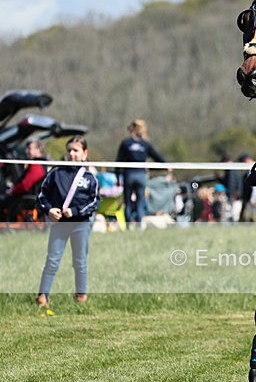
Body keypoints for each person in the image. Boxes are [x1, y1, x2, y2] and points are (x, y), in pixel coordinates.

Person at [36, 137, 100, 307]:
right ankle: (43, 296)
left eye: (76, 150)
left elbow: (95, 201)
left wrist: (76, 211)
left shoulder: (89, 177)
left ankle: (81, 296)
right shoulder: (56, 173)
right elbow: (42, 195)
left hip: (81, 225)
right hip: (59, 225)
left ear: (84, 153)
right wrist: (49, 209)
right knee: (52, 260)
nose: (72, 154)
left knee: (80, 261)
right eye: (69, 150)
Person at [115, 119, 165, 226]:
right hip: (141, 175)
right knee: (140, 201)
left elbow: (119, 161)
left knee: (127, 201)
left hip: (129, 175)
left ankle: (128, 225)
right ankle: (139, 224)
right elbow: (157, 157)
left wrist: (117, 176)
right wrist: (166, 165)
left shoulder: (126, 143)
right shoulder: (145, 143)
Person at [1, 140, 47, 221]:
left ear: (38, 150)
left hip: (26, 199)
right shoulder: (39, 164)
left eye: (29, 149)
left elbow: (25, 185)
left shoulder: (37, 166)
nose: (26, 151)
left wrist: (12, 191)